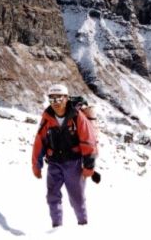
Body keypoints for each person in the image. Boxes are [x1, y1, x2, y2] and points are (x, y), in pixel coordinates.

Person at [32, 84, 97, 228]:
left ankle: (83, 225)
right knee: (52, 197)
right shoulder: (47, 117)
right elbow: (39, 142)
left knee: (76, 198)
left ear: (66, 98)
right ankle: (57, 228)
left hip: (73, 164)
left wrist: (89, 166)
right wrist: (36, 165)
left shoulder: (77, 117)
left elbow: (89, 141)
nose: (55, 102)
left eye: (59, 98)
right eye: (52, 99)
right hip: (54, 163)